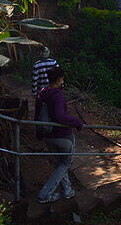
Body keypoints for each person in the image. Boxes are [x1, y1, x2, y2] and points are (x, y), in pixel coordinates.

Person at [34, 65, 83, 203]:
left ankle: (67, 191)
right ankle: (44, 194)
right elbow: (61, 117)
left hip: (48, 136)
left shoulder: (41, 94)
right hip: (62, 136)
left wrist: (38, 133)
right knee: (66, 163)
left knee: (60, 163)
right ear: (60, 79)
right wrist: (77, 122)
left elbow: (37, 115)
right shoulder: (57, 96)